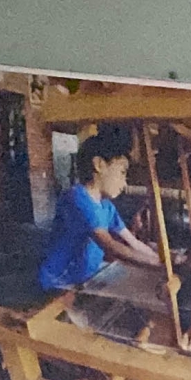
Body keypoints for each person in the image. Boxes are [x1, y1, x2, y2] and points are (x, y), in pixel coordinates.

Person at [38, 123, 169, 293]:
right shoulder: (76, 198)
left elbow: (134, 243)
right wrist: (158, 264)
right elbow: (110, 246)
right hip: (58, 284)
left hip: (85, 278)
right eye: (122, 172)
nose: (125, 183)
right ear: (99, 164)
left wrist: (166, 262)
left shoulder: (106, 207)